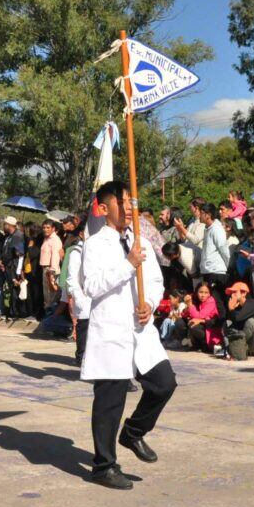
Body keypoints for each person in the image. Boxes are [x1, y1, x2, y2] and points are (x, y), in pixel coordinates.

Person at [80, 181, 175, 490]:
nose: (130, 206)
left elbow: (156, 280)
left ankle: (133, 432)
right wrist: (127, 265)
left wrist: (149, 303)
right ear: (104, 209)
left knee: (163, 384)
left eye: (130, 200)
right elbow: (91, 286)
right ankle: (103, 465)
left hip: (140, 329)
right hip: (111, 331)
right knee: (110, 400)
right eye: (122, 201)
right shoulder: (95, 244)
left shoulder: (141, 242)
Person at [64, 230, 91, 365]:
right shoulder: (77, 252)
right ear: (82, 233)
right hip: (84, 296)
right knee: (84, 325)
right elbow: (72, 278)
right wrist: (78, 298)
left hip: (98, 295)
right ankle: (81, 356)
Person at [225, 281, 254, 360]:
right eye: (232, 293)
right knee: (227, 322)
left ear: (244, 293)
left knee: (251, 322)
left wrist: (231, 308)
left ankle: (236, 347)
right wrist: (232, 310)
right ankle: (229, 349)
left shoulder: (252, 304)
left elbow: (237, 318)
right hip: (249, 345)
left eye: (235, 292)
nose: (232, 295)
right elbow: (234, 323)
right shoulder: (238, 307)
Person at [173, 281, 222, 355]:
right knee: (179, 322)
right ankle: (186, 341)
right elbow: (183, 314)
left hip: (209, 330)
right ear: (196, 292)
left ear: (209, 294)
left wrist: (190, 305)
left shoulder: (211, 301)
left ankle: (200, 345)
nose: (203, 295)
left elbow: (199, 316)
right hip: (200, 326)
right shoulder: (194, 299)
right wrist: (188, 305)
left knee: (193, 325)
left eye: (206, 292)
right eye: (201, 292)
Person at [198, 203, 230, 308]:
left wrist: (227, 266)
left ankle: (222, 323)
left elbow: (223, 249)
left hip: (216, 271)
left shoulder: (216, 229)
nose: (199, 215)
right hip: (208, 270)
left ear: (208, 215)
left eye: (202, 213)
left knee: (217, 301)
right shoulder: (208, 228)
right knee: (209, 302)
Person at [1, 217, 27, 319]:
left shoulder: (18, 236)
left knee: (16, 289)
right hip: (8, 266)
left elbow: (20, 254)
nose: (4, 226)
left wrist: (19, 270)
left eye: (5, 224)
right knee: (11, 289)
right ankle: (12, 311)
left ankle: (17, 312)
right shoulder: (9, 236)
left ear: (9, 225)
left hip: (15, 267)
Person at [40, 220, 63, 314]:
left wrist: (51, 272)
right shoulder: (47, 238)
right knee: (47, 295)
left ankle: (50, 318)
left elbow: (55, 256)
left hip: (50, 270)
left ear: (53, 229)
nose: (45, 229)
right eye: (44, 227)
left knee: (50, 296)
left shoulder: (55, 240)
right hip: (45, 269)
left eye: (48, 227)